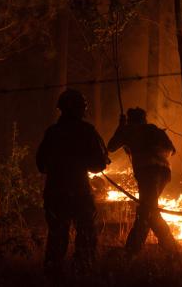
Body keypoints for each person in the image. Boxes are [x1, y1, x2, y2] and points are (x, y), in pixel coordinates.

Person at [36, 89, 109, 277]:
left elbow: (41, 165)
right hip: (79, 192)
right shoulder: (87, 131)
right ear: (80, 109)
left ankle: (53, 276)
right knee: (86, 236)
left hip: (55, 192)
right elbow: (99, 164)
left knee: (56, 237)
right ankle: (83, 274)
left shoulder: (52, 132)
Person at [108, 107, 178, 256]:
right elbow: (173, 150)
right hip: (165, 173)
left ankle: (170, 249)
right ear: (144, 119)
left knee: (149, 212)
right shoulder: (156, 130)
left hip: (148, 174)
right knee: (147, 211)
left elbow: (111, 147)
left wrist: (121, 127)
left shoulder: (129, 130)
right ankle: (133, 249)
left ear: (130, 119)